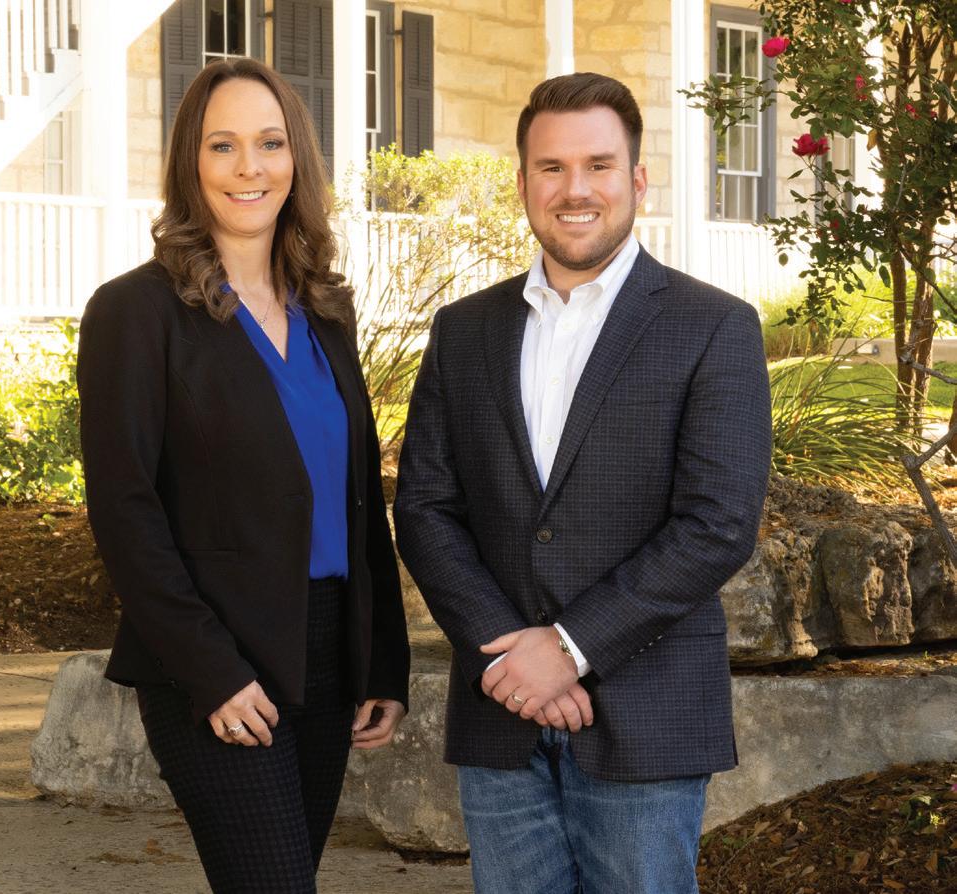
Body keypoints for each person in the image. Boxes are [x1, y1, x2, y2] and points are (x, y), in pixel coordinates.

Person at [393, 72, 771, 894]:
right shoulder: (463, 331)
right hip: (499, 715)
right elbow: (424, 507)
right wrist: (508, 652)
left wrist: (567, 650)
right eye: (551, 167)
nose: (575, 190)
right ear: (523, 181)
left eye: (598, 165)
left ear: (637, 179)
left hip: (645, 716)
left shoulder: (714, 327)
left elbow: (716, 525)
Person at [77, 58, 409, 894]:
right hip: (216, 657)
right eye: (222, 145)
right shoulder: (136, 312)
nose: (249, 167)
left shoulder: (325, 309)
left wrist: (382, 662)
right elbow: (124, 510)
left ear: (297, 158)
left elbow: (358, 498)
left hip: (329, 655)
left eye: (269, 143)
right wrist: (212, 671)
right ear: (190, 163)